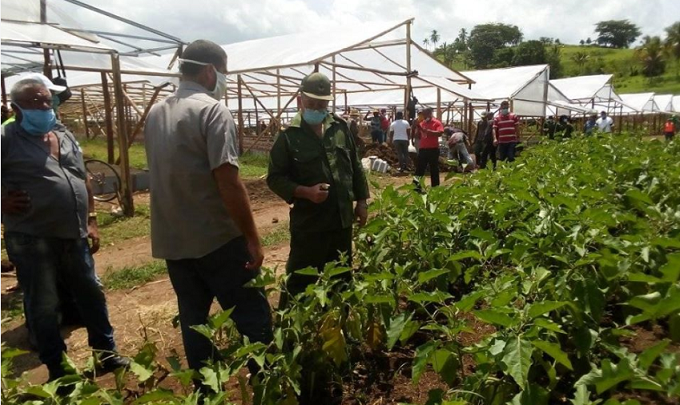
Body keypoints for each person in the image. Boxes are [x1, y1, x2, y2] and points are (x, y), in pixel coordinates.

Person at [143, 40, 273, 376]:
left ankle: (205, 389)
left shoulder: (156, 112)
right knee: (252, 317)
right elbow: (228, 182)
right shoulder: (213, 111)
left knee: (194, 321)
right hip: (217, 239)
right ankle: (270, 384)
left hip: (173, 241)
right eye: (224, 74)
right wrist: (253, 239)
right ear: (210, 71)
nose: (225, 82)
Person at [1, 76, 128, 381]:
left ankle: (106, 353)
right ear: (17, 108)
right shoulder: (7, 138)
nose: (45, 106)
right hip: (32, 235)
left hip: (75, 232)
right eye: (35, 102)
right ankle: (58, 367)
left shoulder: (63, 134)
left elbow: (81, 175)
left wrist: (92, 218)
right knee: (44, 302)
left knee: (91, 292)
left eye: (47, 100)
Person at [267, 72, 369, 306]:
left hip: (341, 221)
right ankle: (291, 334)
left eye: (321, 104)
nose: (316, 108)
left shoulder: (340, 128)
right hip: (310, 225)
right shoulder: (288, 137)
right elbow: (274, 178)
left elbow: (355, 166)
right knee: (300, 281)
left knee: (341, 279)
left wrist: (362, 201)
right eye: (311, 103)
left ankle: (339, 330)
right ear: (299, 101)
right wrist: (305, 191)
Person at [414, 108, 444, 190]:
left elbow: (440, 133)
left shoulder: (436, 123)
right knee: (420, 169)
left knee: (434, 169)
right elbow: (418, 136)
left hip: (433, 149)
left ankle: (435, 187)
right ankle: (416, 186)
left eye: (425, 114)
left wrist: (427, 131)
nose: (423, 116)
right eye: (423, 114)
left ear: (430, 113)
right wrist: (416, 127)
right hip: (423, 149)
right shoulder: (422, 123)